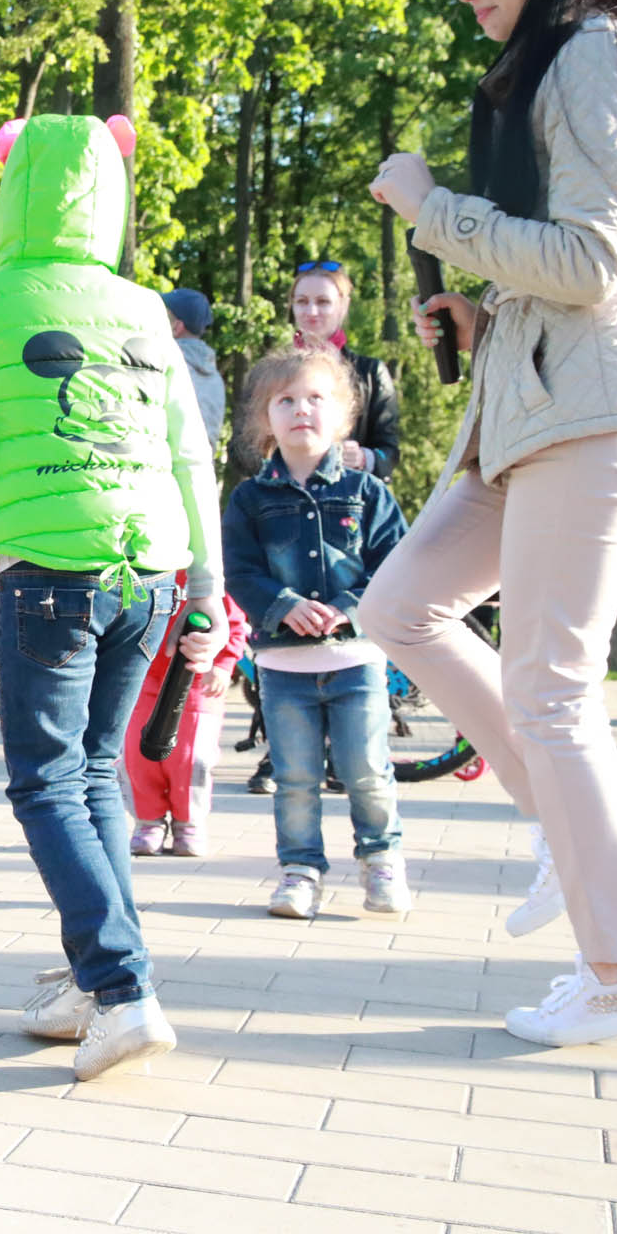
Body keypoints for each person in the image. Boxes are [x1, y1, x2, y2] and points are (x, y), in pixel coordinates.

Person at [363, 0, 617, 1047]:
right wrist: (480, 312)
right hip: (538, 407)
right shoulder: (563, 60)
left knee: (549, 687)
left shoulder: (596, 51)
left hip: (599, 410)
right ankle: (576, 833)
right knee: (398, 606)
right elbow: (559, 266)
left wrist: (432, 209)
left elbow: (593, 262)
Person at [0, 114, 224, 1080]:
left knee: (46, 781)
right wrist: (208, 587)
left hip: (47, 571)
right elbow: (190, 452)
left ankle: (122, 986)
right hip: (150, 573)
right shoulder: (145, 309)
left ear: (10, 188)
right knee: (93, 773)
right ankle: (97, 982)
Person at [223, 347, 411, 917]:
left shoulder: (368, 493)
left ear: (343, 415)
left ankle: (381, 861)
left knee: (366, 770)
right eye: (285, 400)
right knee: (295, 778)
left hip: (356, 661)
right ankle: (300, 871)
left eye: (315, 398)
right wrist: (283, 605)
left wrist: (348, 608)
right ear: (265, 419)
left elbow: (396, 566)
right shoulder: (250, 500)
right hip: (284, 670)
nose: (301, 409)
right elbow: (240, 571)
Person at [122, 583, 247, 859]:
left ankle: (189, 823)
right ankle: (148, 821)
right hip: (143, 676)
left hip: (196, 679)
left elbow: (234, 623)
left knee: (191, 757)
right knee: (136, 755)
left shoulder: (208, 575)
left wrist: (223, 665)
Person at [287, 262, 401, 481]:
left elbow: (389, 453)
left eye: (323, 302)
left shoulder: (371, 373)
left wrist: (364, 458)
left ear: (343, 306)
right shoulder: (270, 375)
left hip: (351, 496)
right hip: (282, 497)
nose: (311, 311)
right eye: (302, 301)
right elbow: (241, 451)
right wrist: (277, 455)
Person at [161, 288, 226, 450]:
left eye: (164, 317)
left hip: (169, 462)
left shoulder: (166, 366)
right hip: (203, 463)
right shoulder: (215, 377)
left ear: (176, 327)